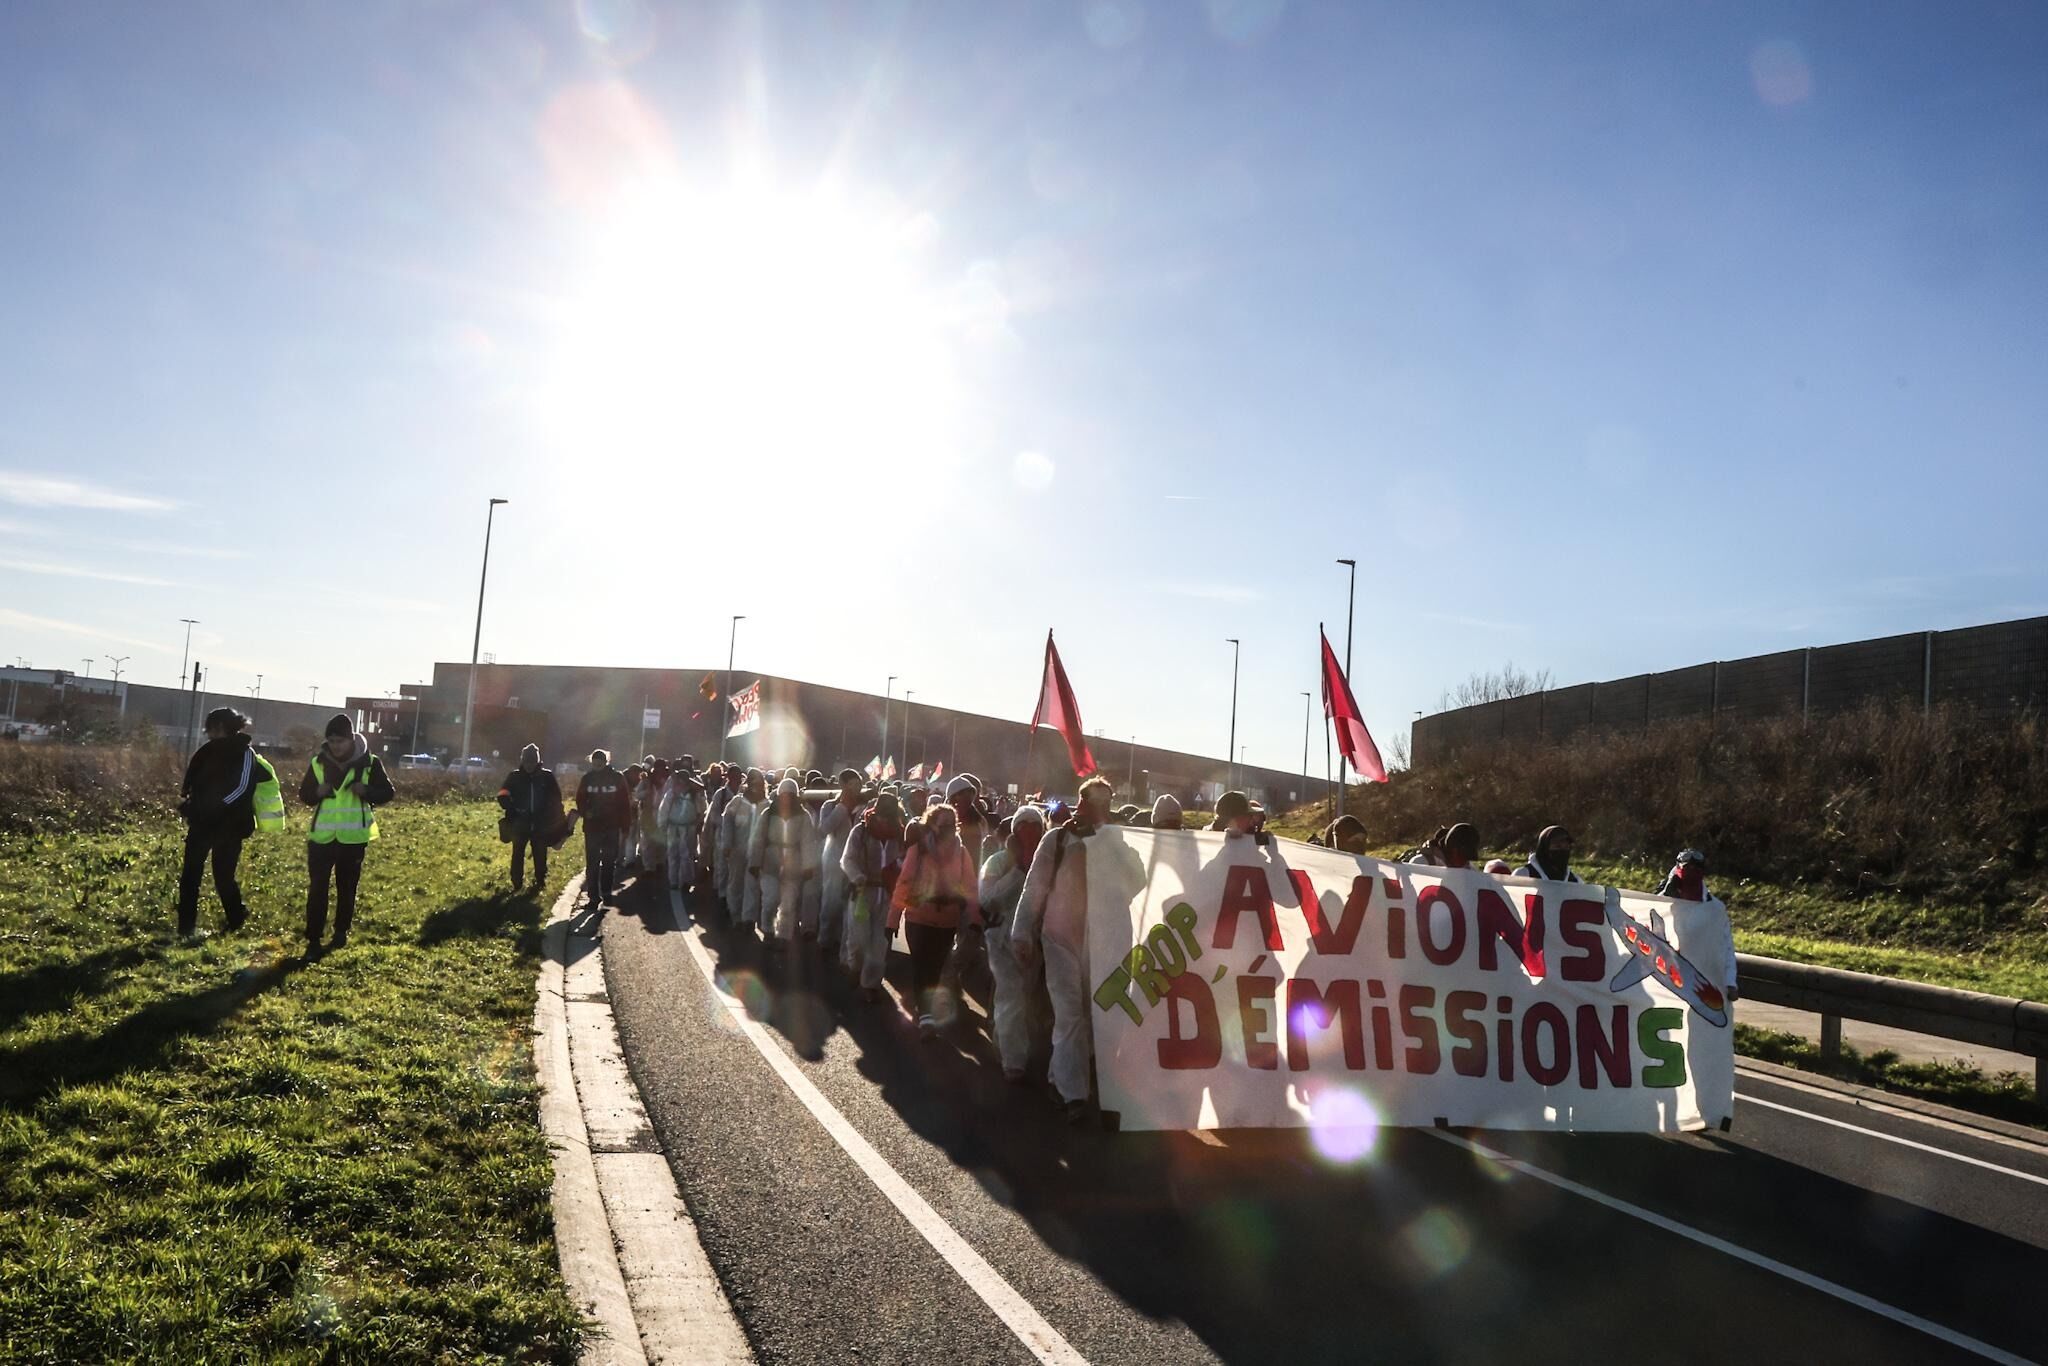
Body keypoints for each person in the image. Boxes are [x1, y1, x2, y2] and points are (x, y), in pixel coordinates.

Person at [1014, 775, 1115, 1123]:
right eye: (1093, 801)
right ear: (1081, 801)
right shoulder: (1056, 839)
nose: (1098, 808)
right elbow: (1034, 887)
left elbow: (1138, 881)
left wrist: (1110, 843)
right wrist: (1022, 933)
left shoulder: (1115, 842)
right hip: (1058, 938)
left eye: (1105, 803)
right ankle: (1075, 1096)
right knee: (1070, 1013)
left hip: (1098, 941)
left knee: (1089, 1014)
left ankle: (1059, 1077)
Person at [175, 707, 280, 939]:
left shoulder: (245, 753)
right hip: (206, 822)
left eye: (210, 728)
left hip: (229, 825)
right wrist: (194, 804)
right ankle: (187, 927)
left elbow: (242, 787)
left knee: (218, 875)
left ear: (220, 727)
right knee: (196, 874)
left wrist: (214, 807)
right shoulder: (208, 751)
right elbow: (191, 785)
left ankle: (234, 917)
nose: (208, 733)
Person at [300, 713, 396, 955]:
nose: (336, 746)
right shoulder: (318, 763)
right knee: (317, 888)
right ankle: (313, 938)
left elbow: (387, 792)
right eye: (331, 741)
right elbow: (305, 795)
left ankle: (341, 931)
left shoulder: (370, 763)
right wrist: (317, 792)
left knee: (347, 888)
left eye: (340, 741)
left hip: (352, 839)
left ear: (351, 739)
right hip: (321, 837)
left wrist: (367, 791)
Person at [891, 800, 981, 1038]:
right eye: (943, 824)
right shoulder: (918, 850)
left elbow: (970, 888)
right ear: (931, 825)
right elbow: (903, 884)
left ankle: (925, 1012)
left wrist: (975, 920)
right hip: (918, 918)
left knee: (936, 967)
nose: (948, 829)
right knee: (922, 966)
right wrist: (892, 921)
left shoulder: (961, 853)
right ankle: (926, 1017)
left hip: (947, 921)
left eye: (952, 824)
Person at [980, 804, 1046, 1082]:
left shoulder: (1048, 863)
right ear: (1015, 831)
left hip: (1034, 940)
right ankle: (1013, 1061)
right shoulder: (997, 861)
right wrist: (1018, 870)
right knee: (1011, 996)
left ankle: (1003, 1042)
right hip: (1000, 939)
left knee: (1024, 998)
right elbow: (987, 899)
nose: (1029, 832)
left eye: (1035, 827)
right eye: (1023, 826)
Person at [840, 791, 907, 1000]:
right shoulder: (860, 831)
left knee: (880, 942)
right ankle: (854, 965)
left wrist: (900, 874)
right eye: (881, 815)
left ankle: (871, 984)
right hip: (862, 891)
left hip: (887, 894)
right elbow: (847, 859)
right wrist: (857, 876)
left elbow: (906, 860)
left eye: (888, 816)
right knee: (858, 937)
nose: (884, 820)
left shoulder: (900, 834)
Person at [751, 776, 821, 947]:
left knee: (789, 904)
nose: (787, 798)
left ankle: (783, 936)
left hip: (793, 865)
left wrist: (808, 866)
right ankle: (767, 928)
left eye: (790, 794)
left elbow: (807, 841)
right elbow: (758, 838)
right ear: (779, 795)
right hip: (770, 862)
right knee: (770, 899)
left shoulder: (803, 816)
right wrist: (754, 862)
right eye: (784, 794)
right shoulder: (768, 814)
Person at [498, 744, 564, 893]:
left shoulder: (547, 777)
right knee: (518, 852)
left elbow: (556, 798)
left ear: (537, 762)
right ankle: (516, 882)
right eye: (526, 762)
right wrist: (510, 808)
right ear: (522, 761)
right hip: (519, 822)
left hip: (541, 822)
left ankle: (540, 880)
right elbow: (502, 794)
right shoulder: (514, 777)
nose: (529, 766)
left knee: (540, 852)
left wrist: (556, 817)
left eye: (532, 762)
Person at [815, 769, 866, 959]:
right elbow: (824, 829)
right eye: (851, 784)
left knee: (850, 905)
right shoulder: (830, 806)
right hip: (834, 859)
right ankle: (825, 938)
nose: (856, 788)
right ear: (842, 785)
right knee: (831, 901)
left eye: (858, 784)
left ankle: (844, 948)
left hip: (856, 862)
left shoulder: (865, 807)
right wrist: (843, 807)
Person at [575, 749, 632, 906]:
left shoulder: (617, 778)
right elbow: (580, 799)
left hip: (611, 827)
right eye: (594, 764)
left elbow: (624, 803)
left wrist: (625, 827)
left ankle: (606, 894)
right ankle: (593, 897)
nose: (597, 767)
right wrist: (586, 812)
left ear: (606, 762)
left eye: (599, 764)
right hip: (592, 827)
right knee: (592, 863)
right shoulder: (587, 779)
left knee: (609, 862)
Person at [722, 769, 765, 924]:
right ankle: (735, 913)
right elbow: (727, 823)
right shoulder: (737, 802)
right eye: (754, 783)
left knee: (752, 884)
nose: (756, 787)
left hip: (756, 853)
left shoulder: (767, 805)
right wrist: (727, 844)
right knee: (736, 882)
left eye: (759, 783)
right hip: (737, 849)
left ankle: (748, 918)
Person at [658, 766, 706, 893]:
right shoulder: (672, 793)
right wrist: (662, 825)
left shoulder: (694, 794)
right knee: (672, 854)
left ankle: (686, 881)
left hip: (688, 828)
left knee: (687, 856)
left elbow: (702, 810)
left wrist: (698, 823)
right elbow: (664, 809)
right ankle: (673, 881)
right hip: (673, 827)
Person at [1517, 825, 1582, 883]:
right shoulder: (1523, 875)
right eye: (1557, 846)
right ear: (1544, 848)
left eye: (1566, 847)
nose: (1562, 851)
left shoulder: (1575, 881)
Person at [1411, 822, 1480, 870]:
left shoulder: (1470, 871)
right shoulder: (1420, 864)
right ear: (1451, 849)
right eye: (1462, 856)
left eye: (1467, 857)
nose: (1464, 861)